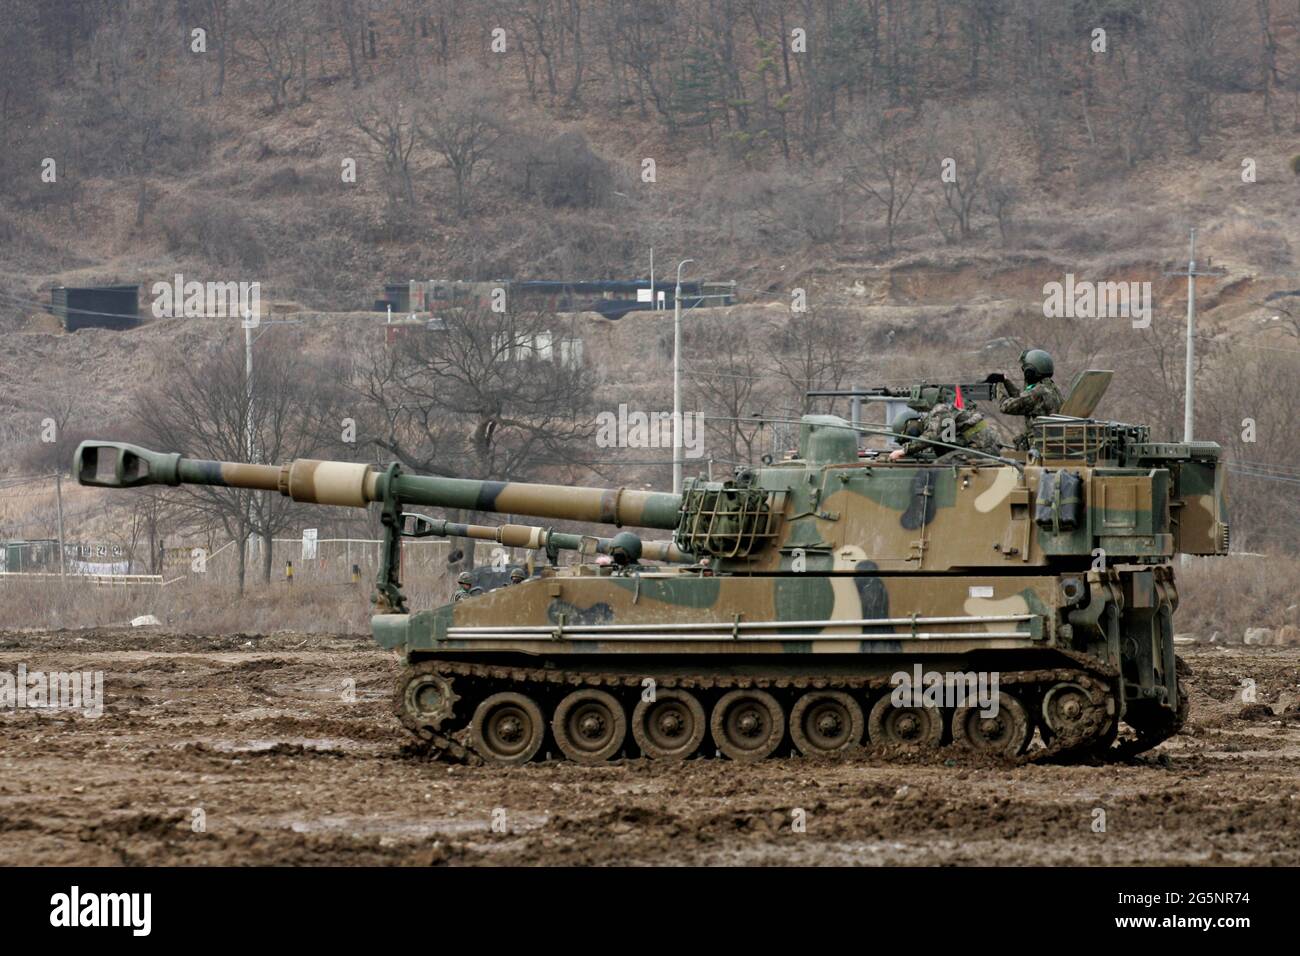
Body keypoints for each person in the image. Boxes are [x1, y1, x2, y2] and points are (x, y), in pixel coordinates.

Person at [987, 349, 1063, 450]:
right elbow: (1023, 399)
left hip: (1040, 448)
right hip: (1051, 442)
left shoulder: (1037, 392)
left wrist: (999, 386)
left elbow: (1005, 406)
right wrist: (1006, 381)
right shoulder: (1050, 387)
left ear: (1030, 372)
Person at [888, 404, 1003, 462]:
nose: (912, 436)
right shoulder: (932, 423)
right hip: (978, 446)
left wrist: (905, 450)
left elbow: (931, 437)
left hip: (984, 448)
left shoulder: (939, 413)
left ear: (910, 424)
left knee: (940, 465)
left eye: (909, 435)